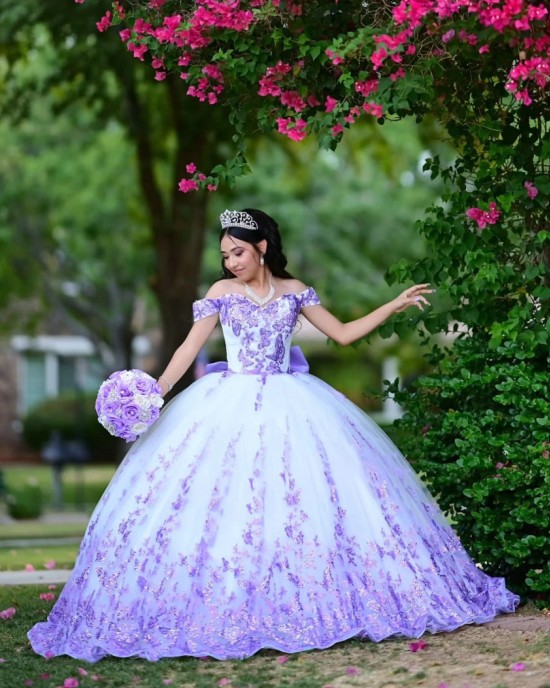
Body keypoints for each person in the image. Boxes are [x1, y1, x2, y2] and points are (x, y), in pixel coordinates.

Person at [28, 208, 518, 662]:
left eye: (237, 252)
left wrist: (392, 305)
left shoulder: (295, 291)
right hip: (228, 403)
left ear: (261, 246)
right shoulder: (221, 294)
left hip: (293, 404)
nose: (230, 261)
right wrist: (152, 392)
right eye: (224, 255)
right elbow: (187, 347)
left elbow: (343, 334)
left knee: (302, 497)